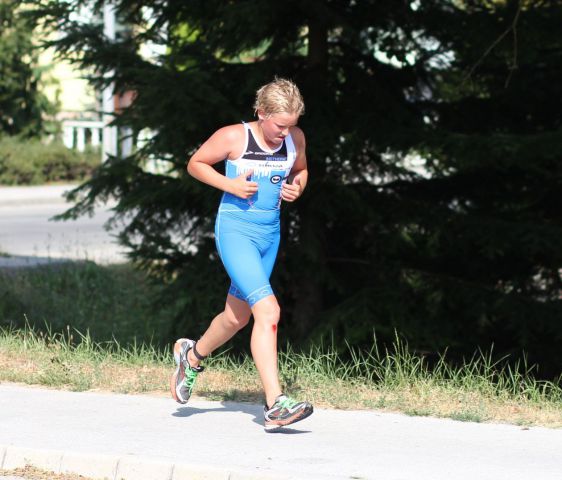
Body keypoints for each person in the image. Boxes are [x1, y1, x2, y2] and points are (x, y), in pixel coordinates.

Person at [170, 78, 313, 431]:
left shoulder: (294, 138)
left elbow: (301, 169)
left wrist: (298, 186)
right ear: (261, 113)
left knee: (237, 318)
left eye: (292, 125)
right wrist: (230, 185)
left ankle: (192, 356)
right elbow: (196, 164)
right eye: (280, 125)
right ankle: (276, 404)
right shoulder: (235, 136)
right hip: (236, 232)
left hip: (270, 235)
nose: (285, 133)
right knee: (269, 311)